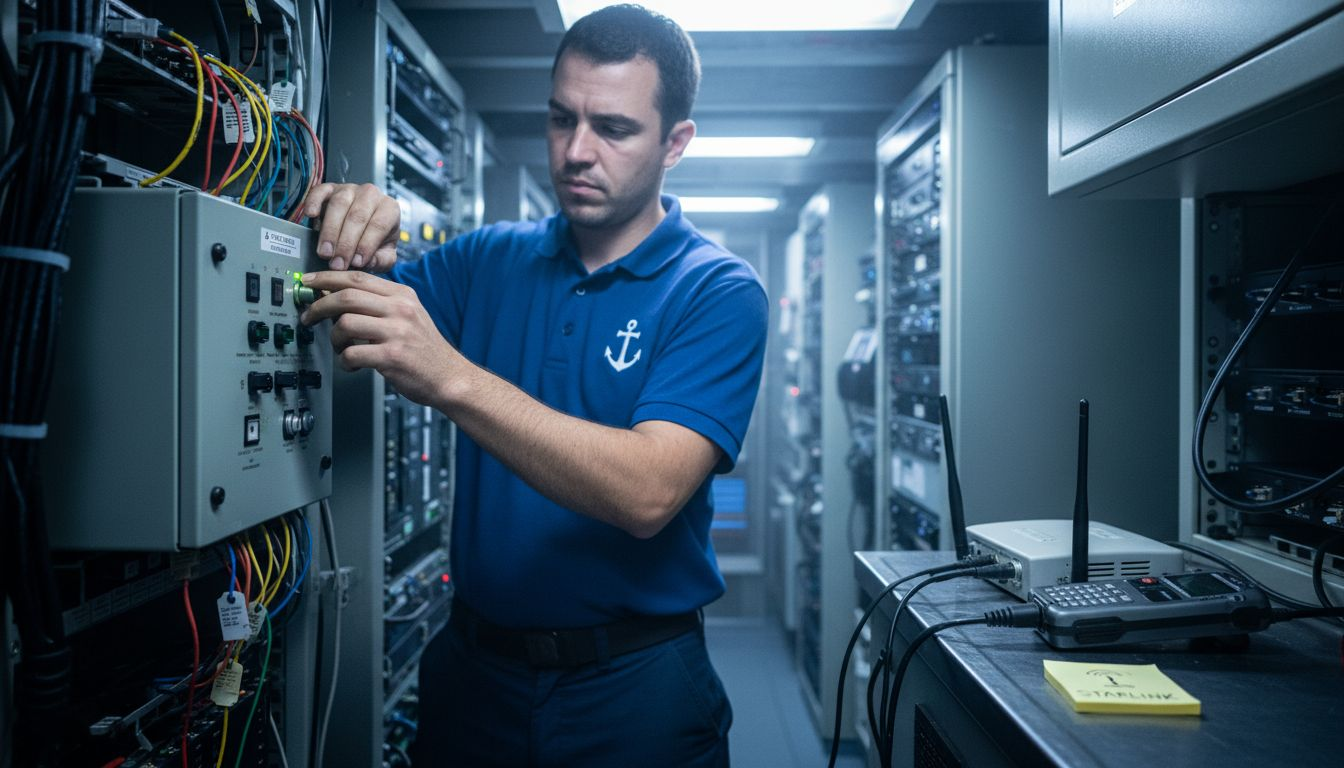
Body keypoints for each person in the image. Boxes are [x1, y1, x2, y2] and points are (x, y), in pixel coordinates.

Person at [297, 5, 767, 765]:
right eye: (560, 119)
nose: (577, 151)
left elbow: (648, 493)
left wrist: (452, 377)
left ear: (675, 142)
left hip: (635, 686)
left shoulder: (716, 290)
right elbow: (341, 306)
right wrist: (352, 220)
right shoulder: (485, 259)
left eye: (613, 129)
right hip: (475, 674)